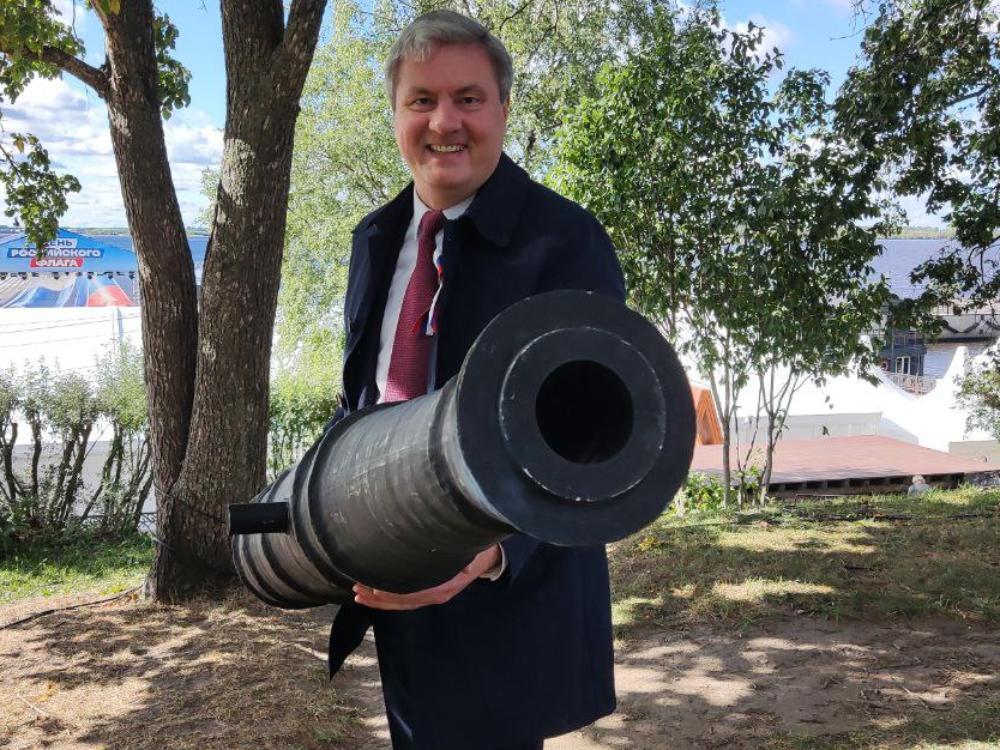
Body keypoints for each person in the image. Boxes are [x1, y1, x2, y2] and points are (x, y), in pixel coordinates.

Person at [326, 10, 624, 750]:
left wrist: (491, 554)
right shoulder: (373, 239)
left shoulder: (567, 242)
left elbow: (596, 443)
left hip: (507, 594)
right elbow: (361, 397)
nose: (444, 122)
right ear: (395, 114)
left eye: (468, 98)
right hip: (396, 577)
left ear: (503, 110)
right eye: (421, 100)